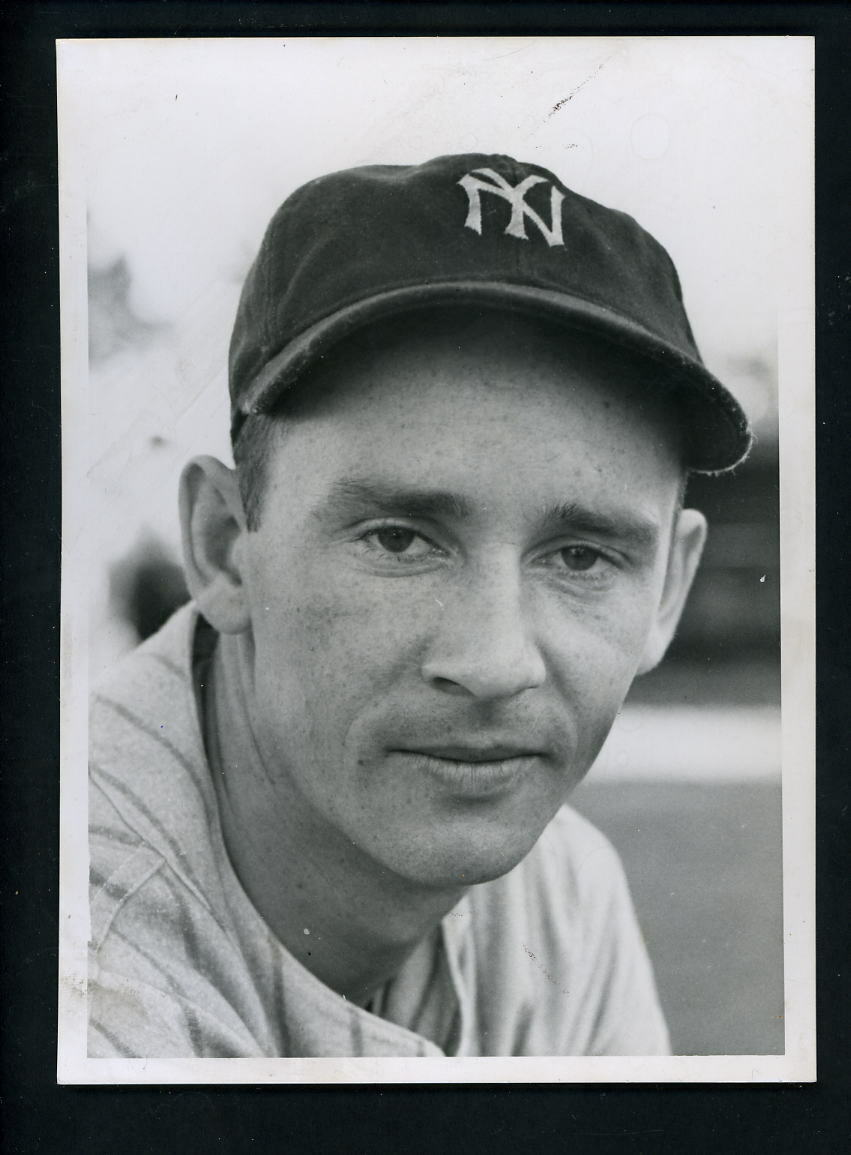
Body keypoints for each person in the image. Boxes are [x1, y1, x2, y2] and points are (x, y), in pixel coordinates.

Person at [87, 153, 751, 1058]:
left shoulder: (561, 898)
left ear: (666, 588)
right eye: (399, 539)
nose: (494, 660)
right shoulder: (84, 964)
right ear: (223, 548)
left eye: (582, 556)